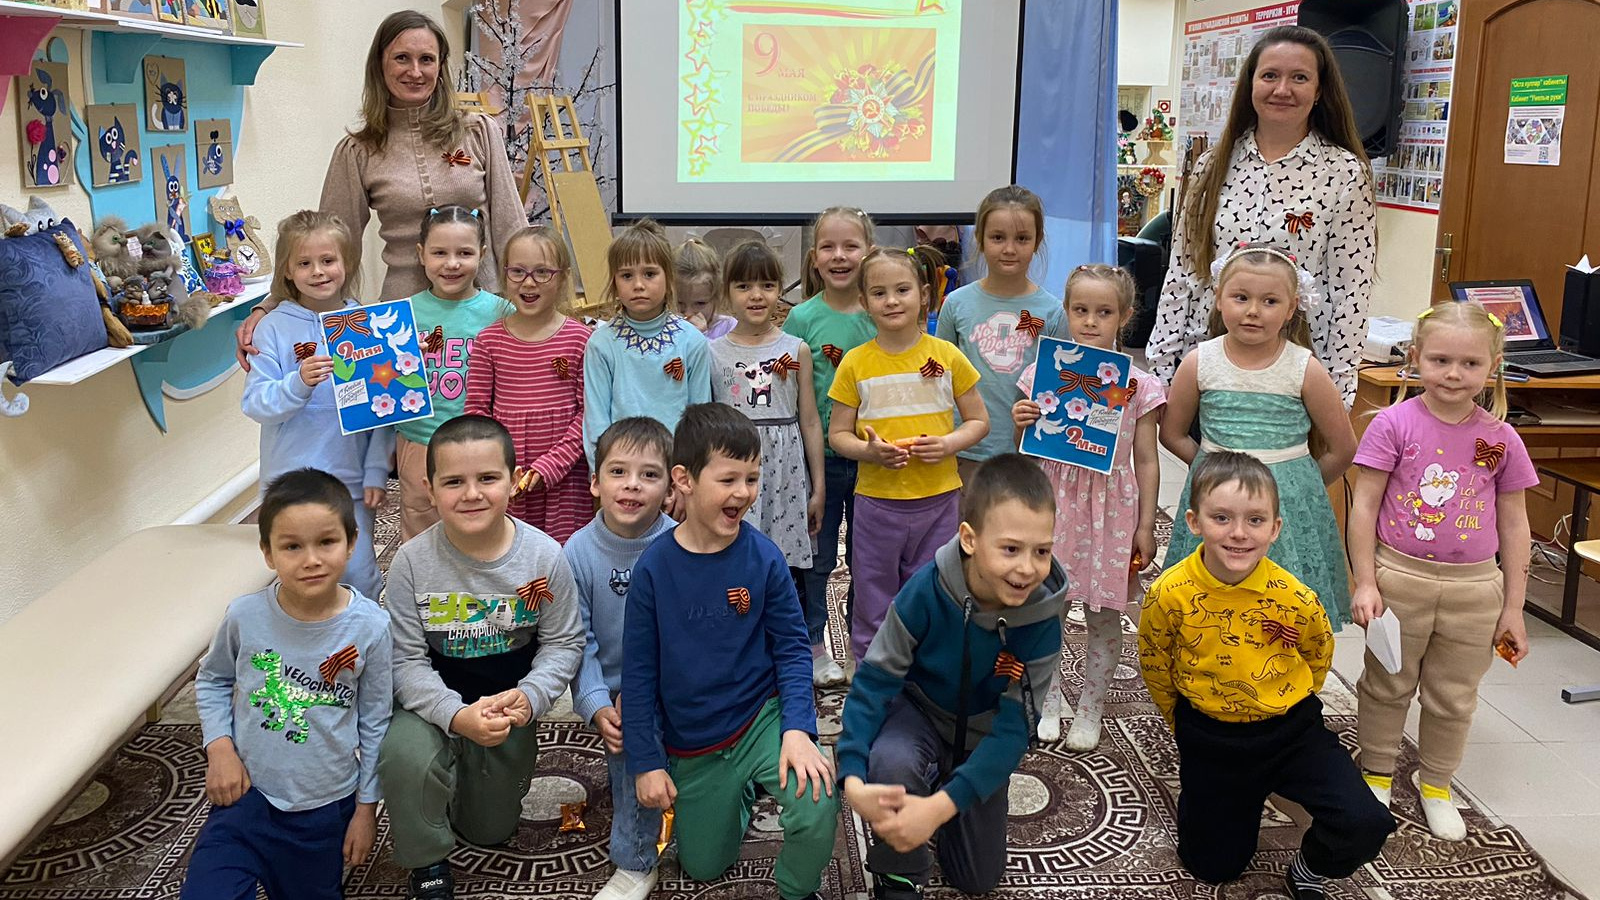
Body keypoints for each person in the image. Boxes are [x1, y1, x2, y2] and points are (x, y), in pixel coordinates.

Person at [1138, 451, 1395, 898]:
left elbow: (1318, 653)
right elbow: (1154, 659)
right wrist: (1180, 721)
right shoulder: (1169, 593)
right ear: (1195, 522)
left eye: (1255, 521)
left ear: (1275, 529)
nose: (1239, 533)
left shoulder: (1294, 597)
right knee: (1212, 867)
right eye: (1222, 518)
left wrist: (1281, 702)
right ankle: (1246, 800)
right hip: (1211, 738)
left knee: (1366, 822)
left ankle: (1308, 865)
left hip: (1291, 732)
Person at [622, 404, 838, 900]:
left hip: (760, 717)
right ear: (685, 480)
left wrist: (799, 730)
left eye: (753, 478)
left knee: (818, 799)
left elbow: (791, 649)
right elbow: (637, 674)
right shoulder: (653, 571)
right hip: (694, 740)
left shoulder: (764, 557)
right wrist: (646, 761)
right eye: (729, 479)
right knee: (702, 865)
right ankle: (737, 795)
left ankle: (795, 891)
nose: (743, 492)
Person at [235, 11, 524, 368]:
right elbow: (326, 245)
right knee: (417, 422)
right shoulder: (358, 152)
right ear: (380, 65)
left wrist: (536, 307)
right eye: (402, 57)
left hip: (483, 312)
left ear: (441, 66)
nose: (415, 71)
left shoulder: (479, 133)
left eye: (427, 59)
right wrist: (271, 305)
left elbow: (513, 231)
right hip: (404, 323)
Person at [836, 455, 1066, 898]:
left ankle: (943, 792)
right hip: (919, 713)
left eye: (1042, 551)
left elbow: (1015, 730)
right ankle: (897, 875)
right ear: (969, 539)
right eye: (1010, 548)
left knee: (977, 880)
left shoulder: (1044, 620)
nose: (1027, 568)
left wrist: (944, 805)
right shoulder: (925, 590)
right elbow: (875, 681)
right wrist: (852, 775)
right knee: (892, 762)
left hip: (982, 734)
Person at [1349, 301, 1535, 841]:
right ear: (1416, 358)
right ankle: (1377, 772)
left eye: (1470, 364)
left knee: (1454, 694)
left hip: (1475, 589)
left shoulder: (1502, 439)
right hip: (1398, 578)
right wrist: (1365, 580)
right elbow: (1364, 507)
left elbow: (1517, 526)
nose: (1454, 374)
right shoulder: (1392, 424)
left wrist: (1513, 609)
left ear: (1492, 367)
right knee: (1387, 683)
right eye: (1441, 360)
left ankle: (1436, 785)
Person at [379, 414, 585, 900]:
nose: (471, 494)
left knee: (488, 830)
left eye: (487, 478)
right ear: (429, 490)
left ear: (513, 482)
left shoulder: (545, 557)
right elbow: (404, 661)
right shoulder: (410, 562)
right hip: (433, 701)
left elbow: (564, 642)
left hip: (507, 708)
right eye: (453, 482)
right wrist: (453, 716)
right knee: (403, 756)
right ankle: (426, 859)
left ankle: (463, 781)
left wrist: (531, 697)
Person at [183, 469, 393, 900]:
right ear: (267, 552)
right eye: (292, 546)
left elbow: (376, 721)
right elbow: (213, 679)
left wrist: (366, 810)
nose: (311, 559)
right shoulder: (244, 616)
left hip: (325, 809)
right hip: (246, 799)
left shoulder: (372, 627)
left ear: (352, 543)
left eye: (326, 542)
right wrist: (219, 748)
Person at [1145, 25, 1377, 407]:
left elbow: (1350, 291)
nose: (1282, 89)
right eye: (1269, 75)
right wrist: (1162, 373)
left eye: (1299, 77)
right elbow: (1183, 274)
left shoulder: (1344, 172)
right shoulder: (1212, 165)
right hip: (1209, 364)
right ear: (1251, 84)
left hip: (1294, 374)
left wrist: (1337, 394)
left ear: (1319, 91)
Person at [1159, 243, 1356, 628]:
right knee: (1212, 604)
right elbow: (1172, 433)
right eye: (1241, 297)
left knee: (1280, 612)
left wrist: (1301, 484)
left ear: (1292, 307)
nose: (1253, 310)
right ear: (1218, 299)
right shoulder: (1200, 361)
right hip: (1216, 494)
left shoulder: (1304, 368)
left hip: (1284, 504)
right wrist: (1208, 468)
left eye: (1269, 301)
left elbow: (1343, 447)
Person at [1010, 264, 1165, 747]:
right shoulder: (1042, 372)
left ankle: (1092, 706)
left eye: (1105, 312)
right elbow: (1027, 442)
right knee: (1048, 603)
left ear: (1125, 315)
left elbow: (1147, 458)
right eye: (1081, 310)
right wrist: (1022, 418)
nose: (1091, 321)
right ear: (1067, 312)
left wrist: (1145, 524)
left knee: (1104, 612)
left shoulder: (1138, 384)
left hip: (1112, 508)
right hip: (1054, 500)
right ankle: (1051, 695)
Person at [829, 248, 988, 663]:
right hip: (876, 504)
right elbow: (838, 435)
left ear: (924, 295)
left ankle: (927, 671)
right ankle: (869, 669)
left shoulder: (947, 356)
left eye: (902, 290)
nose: (892, 300)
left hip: (938, 500)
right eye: (879, 293)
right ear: (864, 302)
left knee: (933, 590)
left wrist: (949, 443)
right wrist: (869, 451)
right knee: (872, 591)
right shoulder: (855, 363)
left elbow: (978, 421)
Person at [241, 210, 392, 601]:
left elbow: (383, 411)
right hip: (290, 480)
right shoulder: (272, 327)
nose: (318, 272)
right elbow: (256, 403)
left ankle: (371, 640)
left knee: (357, 569)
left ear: (347, 263)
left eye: (328, 261)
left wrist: (376, 469)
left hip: (351, 480)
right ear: (287, 271)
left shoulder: (365, 323)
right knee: (299, 573)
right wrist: (297, 383)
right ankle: (304, 645)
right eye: (304, 263)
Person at [565, 417, 675, 900]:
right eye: (618, 472)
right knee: (633, 744)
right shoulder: (576, 553)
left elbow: (688, 632)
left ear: (672, 488)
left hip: (676, 683)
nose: (632, 484)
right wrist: (595, 702)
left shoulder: (681, 544)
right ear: (594, 481)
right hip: (614, 694)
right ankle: (635, 859)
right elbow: (576, 639)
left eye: (650, 474)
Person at [782, 205, 878, 686]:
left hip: (874, 463)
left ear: (869, 251)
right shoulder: (801, 318)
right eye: (828, 246)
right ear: (814, 258)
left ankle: (864, 645)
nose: (839, 256)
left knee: (868, 558)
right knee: (815, 558)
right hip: (816, 462)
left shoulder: (882, 313)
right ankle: (815, 643)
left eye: (850, 245)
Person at [465, 225, 593, 544]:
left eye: (542, 272)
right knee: (509, 551)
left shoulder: (581, 340)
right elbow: (477, 415)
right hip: (509, 479)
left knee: (564, 558)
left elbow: (587, 415)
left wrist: (550, 466)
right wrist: (500, 467)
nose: (529, 282)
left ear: (563, 277)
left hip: (566, 481)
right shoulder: (489, 341)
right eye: (518, 272)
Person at [393, 206, 511, 541]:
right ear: (421, 255)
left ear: (482, 255)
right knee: (420, 524)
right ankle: (427, 591)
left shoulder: (502, 312)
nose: (452, 263)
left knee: (481, 522)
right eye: (439, 253)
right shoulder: (402, 314)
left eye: (464, 253)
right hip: (419, 441)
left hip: (481, 442)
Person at [710, 240, 824, 574]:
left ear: (779, 291)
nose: (756, 295)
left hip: (785, 473)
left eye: (767, 285)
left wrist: (819, 488)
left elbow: (811, 422)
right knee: (732, 560)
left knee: (780, 568)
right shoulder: (713, 353)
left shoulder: (796, 349)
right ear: (727, 292)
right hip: (732, 468)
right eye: (744, 286)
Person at [936, 185, 1062, 483]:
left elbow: (1056, 389)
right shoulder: (956, 304)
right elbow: (939, 379)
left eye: (1022, 239)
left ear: (1037, 241)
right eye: (997, 237)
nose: (1009, 249)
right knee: (964, 528)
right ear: (980, 239)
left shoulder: (1053, 311)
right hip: (964, 448)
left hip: (1023, 454)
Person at [583, 219, 712, 469]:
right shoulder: (601, 344)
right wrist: (608, 475)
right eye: (627, 275)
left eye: (650, 274)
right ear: (614, 282)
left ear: (669, 277)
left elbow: (700, 421)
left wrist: (688, 480)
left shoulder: (691, 341)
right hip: (622, 476)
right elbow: (596, 423)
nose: (639, 285)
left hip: (677, 475)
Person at [674, 236, 736, 340]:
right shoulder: (664, 329)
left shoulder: (729, 327)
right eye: (679, 303)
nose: (688, 313)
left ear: (716, 296)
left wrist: (701, 337)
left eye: (700, 303)